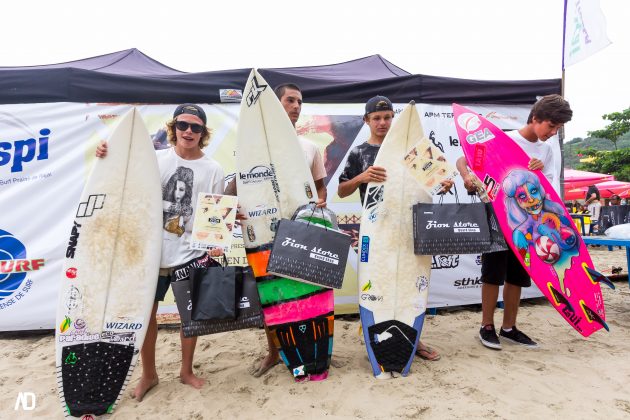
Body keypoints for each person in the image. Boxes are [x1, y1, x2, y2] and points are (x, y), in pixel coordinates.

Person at [96, 104, 225, 400]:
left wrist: (221, 232)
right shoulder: (153, 159)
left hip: (190, 254)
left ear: (204, 133)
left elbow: (214, 213)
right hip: (150, 254)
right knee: (147, 315)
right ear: (173, 127)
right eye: (183, 125)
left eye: (196, 127)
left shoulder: (213, 169)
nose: (189, 132)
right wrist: (105, 151)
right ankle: (149, 374)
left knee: (189, 317)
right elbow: (118, 171)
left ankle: (186, 371)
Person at [337, 95, 451, 362]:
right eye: (376, 118)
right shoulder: (358, 153)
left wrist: (443, 184)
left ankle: (415, 338)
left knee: (410, 281)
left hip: (410, 227)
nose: (383, 122)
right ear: (367, 121)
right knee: (378, 281)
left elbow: (439, 182)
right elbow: (342, 191)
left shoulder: (413, 149)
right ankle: (374, 336)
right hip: (377, 230)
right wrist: (362, 177)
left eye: (388, 117)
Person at [456, 94, 573, 350]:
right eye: (551, 126)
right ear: (535, 118)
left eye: (557, 129)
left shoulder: (547, 150)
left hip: (529, 220)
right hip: (498, 215)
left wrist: (538, 172)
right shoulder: (505, 139)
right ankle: (486, 326)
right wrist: (467, 177)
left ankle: (509, 327)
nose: (553, 133)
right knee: (492, 272)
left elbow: (548, 189)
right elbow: (464, 159)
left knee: (517, 275)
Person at [250, 83, 328, 377]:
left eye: (300, 101)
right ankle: (273, 353)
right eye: (290, 100)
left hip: (301, 231)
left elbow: (320, 186)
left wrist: (321, 200)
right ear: (275, 104)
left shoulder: (309, 147)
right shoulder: (257, 146)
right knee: (273, 295)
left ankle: (311, 351)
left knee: (306, 294)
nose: (296, 106)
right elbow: (242, 182)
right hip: (267, 231)